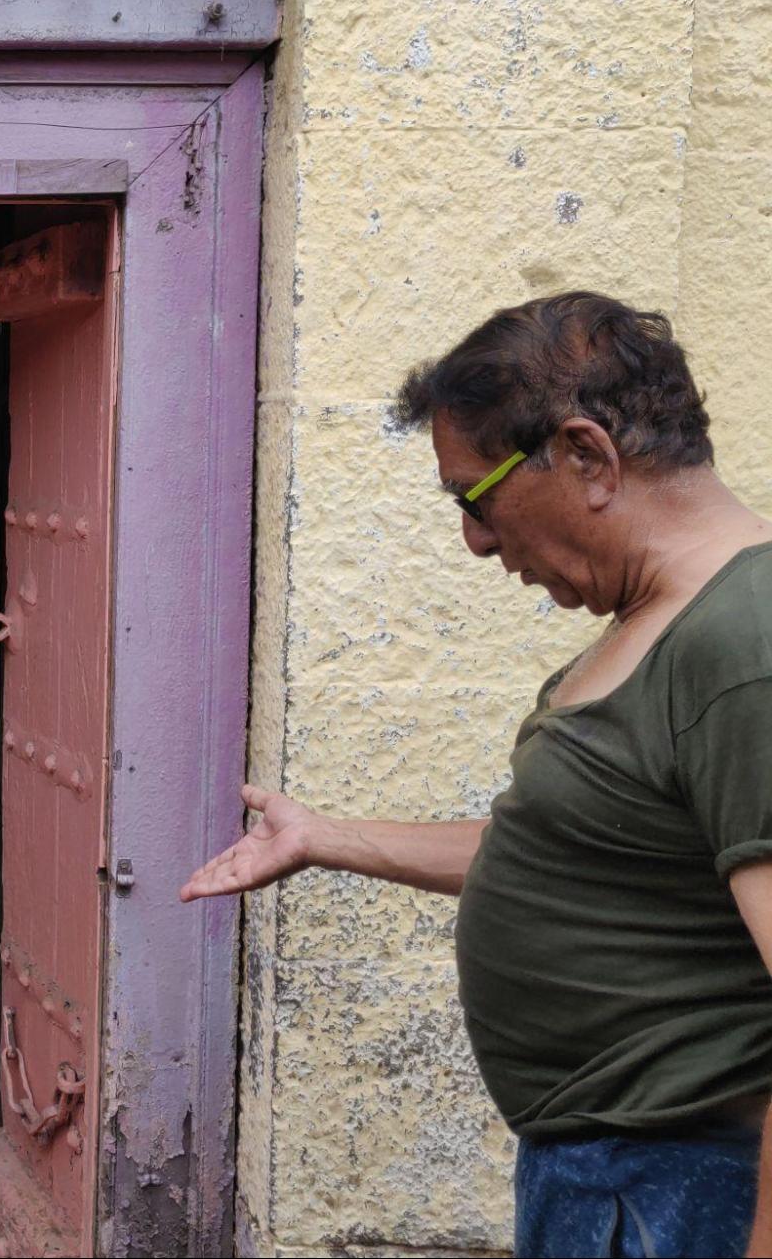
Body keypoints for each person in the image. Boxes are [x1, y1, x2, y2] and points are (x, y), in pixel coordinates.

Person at [182, 292, 772, 1259]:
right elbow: (591, 858)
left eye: (475, 495)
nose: (475, 539)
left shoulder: (741, 645)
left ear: (585, 456)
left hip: (682, 1189)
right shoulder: (660, 622)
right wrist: (324, 837)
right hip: (616, 1181)